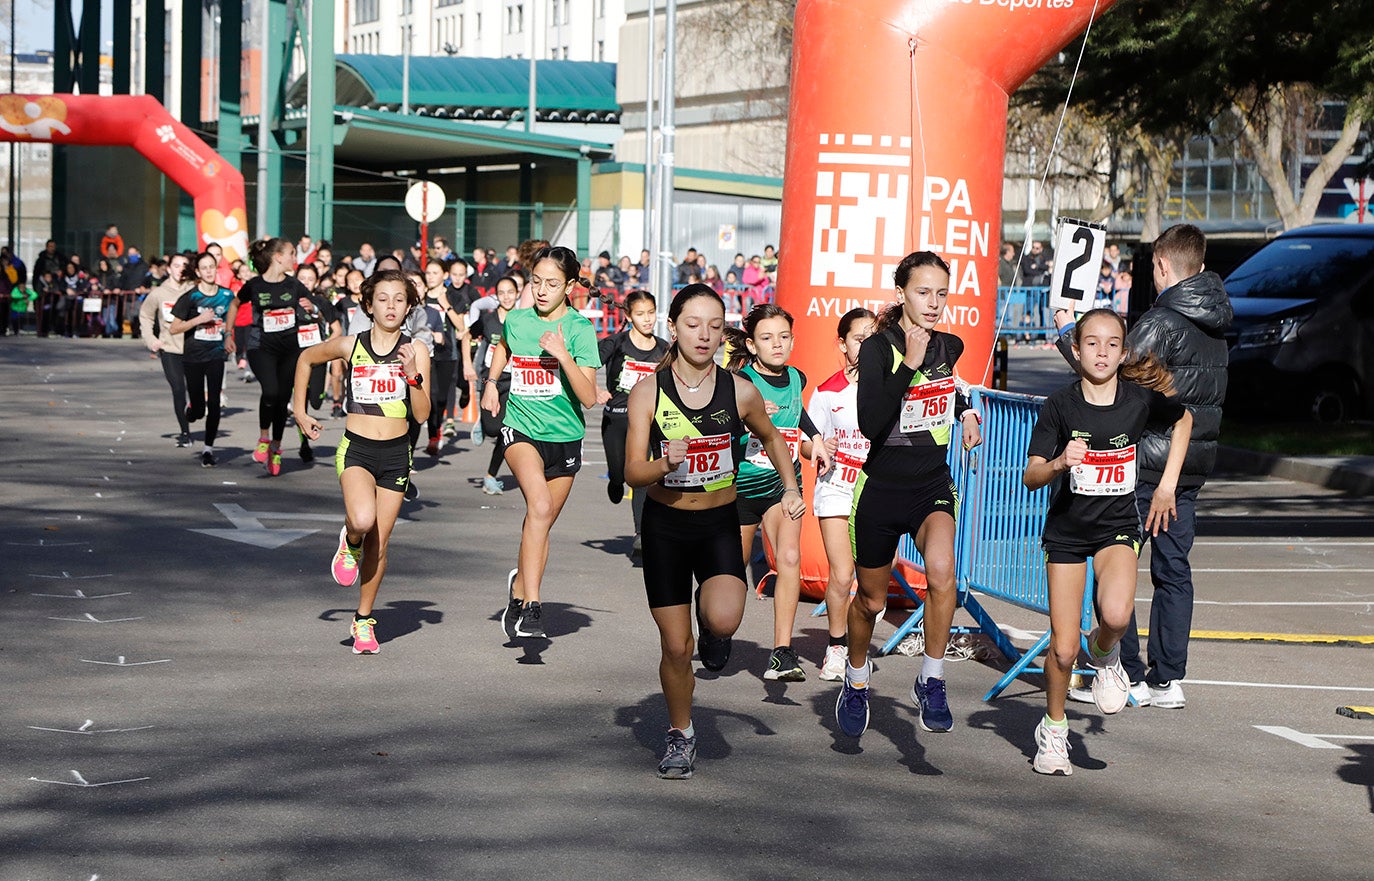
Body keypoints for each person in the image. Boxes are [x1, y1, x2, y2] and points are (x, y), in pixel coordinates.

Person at [623, 284, 805, 779]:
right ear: (673, 328)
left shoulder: (739, 389)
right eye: (692, 324)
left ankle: (711, 626)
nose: (703, 335)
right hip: (666, 525)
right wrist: (663, 462)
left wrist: (791, 488)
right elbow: (631, 472)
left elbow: (773, 439)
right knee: (676, 648)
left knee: (723, 620)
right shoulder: (649, 391)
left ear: (724, 331)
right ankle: (680, 733)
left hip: (720, 520)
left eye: (713, 325)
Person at [1055, 223, 1231, 709]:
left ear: (1162, 266)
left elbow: (1111, 375)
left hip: (1143, 464)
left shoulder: (1162, 320)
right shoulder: (1216, 324)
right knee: (1174, 568)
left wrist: (1068, 335)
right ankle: (1168, 678)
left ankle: (1126, 672)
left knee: (1119, 566)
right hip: (1190, 467)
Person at [1023, 308, 1193, 774]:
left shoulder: (1139, 400)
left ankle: (1106, 652)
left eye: (1112, 343)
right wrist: (1059, 463)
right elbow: (1031, 475)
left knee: (1116, 615)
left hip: (1117, 527)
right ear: (1076, 351)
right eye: (1092, 343)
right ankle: (1054, 731)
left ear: (1122, 353)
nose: (1101, 351)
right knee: (1061, 649)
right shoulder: (1060, 405)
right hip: (1067, 533)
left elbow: (1183, 421)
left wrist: (1166, 485)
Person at [834, 251, 982, 739]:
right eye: (923, 292)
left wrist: (966, 412)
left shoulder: (949, 345)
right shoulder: (877, 349)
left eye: (942, 292)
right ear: (901, 294)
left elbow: (950, 386)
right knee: (871, 603)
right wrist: (909, 365)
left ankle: (931, 679)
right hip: (880, 490)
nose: (934, 302)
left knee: (943, 576)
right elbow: (872, 422)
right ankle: (856, 680)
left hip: (930, 486)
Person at [295, 269, 431, 654]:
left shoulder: (416, 350)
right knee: (362, 521)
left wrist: (412, 377)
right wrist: (300, 411)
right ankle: (349, 539)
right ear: (368, 304)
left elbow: (421, 415)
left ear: (409, 307)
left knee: (381, 544)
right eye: (383, 298)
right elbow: (306, 359)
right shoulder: (350, 345)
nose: (391, 306)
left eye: (399, 299)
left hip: (396, 455)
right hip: (356, 449)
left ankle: (363, 620)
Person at [483, 246, 601, 640]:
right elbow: (503, 344)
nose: (541, 290)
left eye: (552, 283)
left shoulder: (581, 330)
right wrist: (490, 384)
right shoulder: (517, 319)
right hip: (521, 427)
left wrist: (562, 355)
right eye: (535, 282)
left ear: (569, 286)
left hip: (565, 437)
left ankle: (518, 589)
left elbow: (587, 397)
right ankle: (533, 605)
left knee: (541, 521)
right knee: (539, 505)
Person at [724, 304, 831, 682]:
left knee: (789, 559)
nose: (777, 345)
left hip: (781, 488)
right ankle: (716, 631)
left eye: (784, 337)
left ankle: (782, 652)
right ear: (751, 345)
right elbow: (717, 423)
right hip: (737, 489)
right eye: (767, 338)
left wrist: (816, 438)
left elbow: (797, 412)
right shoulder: (739, 381)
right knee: (729, 575)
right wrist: (746, 414)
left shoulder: (797, 377)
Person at [804, 307, 877, 681]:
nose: (865, 346)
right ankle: (836, 647)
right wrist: (818, 447)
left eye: (872, 339)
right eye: (858, 339)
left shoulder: (888, 387)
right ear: (842, 343)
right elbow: (804, 443)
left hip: (877, 490)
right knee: (842, 572)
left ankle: (859, 646)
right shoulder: (826, 391)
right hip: (836, 486)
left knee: (874, 579)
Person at [596, 291, 670, 554]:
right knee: (620, 473)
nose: (647, 319)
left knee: (641, 477)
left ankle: (640, 532)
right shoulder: (617, 343)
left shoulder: (664, 349)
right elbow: (586, 363)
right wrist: (593, 390)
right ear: (629, 316)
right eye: (640, 314)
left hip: (647, 422)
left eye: (651, 313)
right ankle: (614, 481)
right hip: (616, 418)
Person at [238, 237, 315, 476]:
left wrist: (312, 309)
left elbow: (312, 307)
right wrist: (229, 334)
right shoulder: (255, 285)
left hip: (290, 348)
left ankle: (276, 447)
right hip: (262, 346)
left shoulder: (294, 285)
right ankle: (263, 437)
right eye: (292, 253)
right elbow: (234, 303)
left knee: (283, 399)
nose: (295, 258)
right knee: (270, 391)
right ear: (278, 257)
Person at [168, 251, 238, 467]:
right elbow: (174, 328)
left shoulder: (227, 296)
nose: (209, 271)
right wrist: (198, 319)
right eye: (204, 268)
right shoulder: (190, 297)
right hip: (193, 356)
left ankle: (208, 449)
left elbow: (231, 315)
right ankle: (192, 410)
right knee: (199, 409)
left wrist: (228, 335)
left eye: (212, 266)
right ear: (198, 272)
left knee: (215, 402)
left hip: (216, 354)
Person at [466, 274, 521, 494]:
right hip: (490, 379)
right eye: (502, 293)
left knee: (506, 430)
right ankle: (482, 421)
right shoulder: (488, 320)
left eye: (510, 292)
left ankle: (490, 475)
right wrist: (467, 366)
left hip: (515, 381)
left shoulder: (523, 319)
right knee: (492, 429)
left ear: (517, 294)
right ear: (496, 297)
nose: (506, 297)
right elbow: (465, 336)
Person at [138, 252, 194, 446]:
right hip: (169, 348)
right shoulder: (159, 293)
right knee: (179, 389)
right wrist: (150, 339)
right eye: (176, 266)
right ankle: (185, 432)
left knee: (195, 393)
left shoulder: (194, 290)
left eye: (184, 266)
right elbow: (145, 316)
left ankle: (193, 413)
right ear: (169, 269)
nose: (180, 270)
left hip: (193, 348)